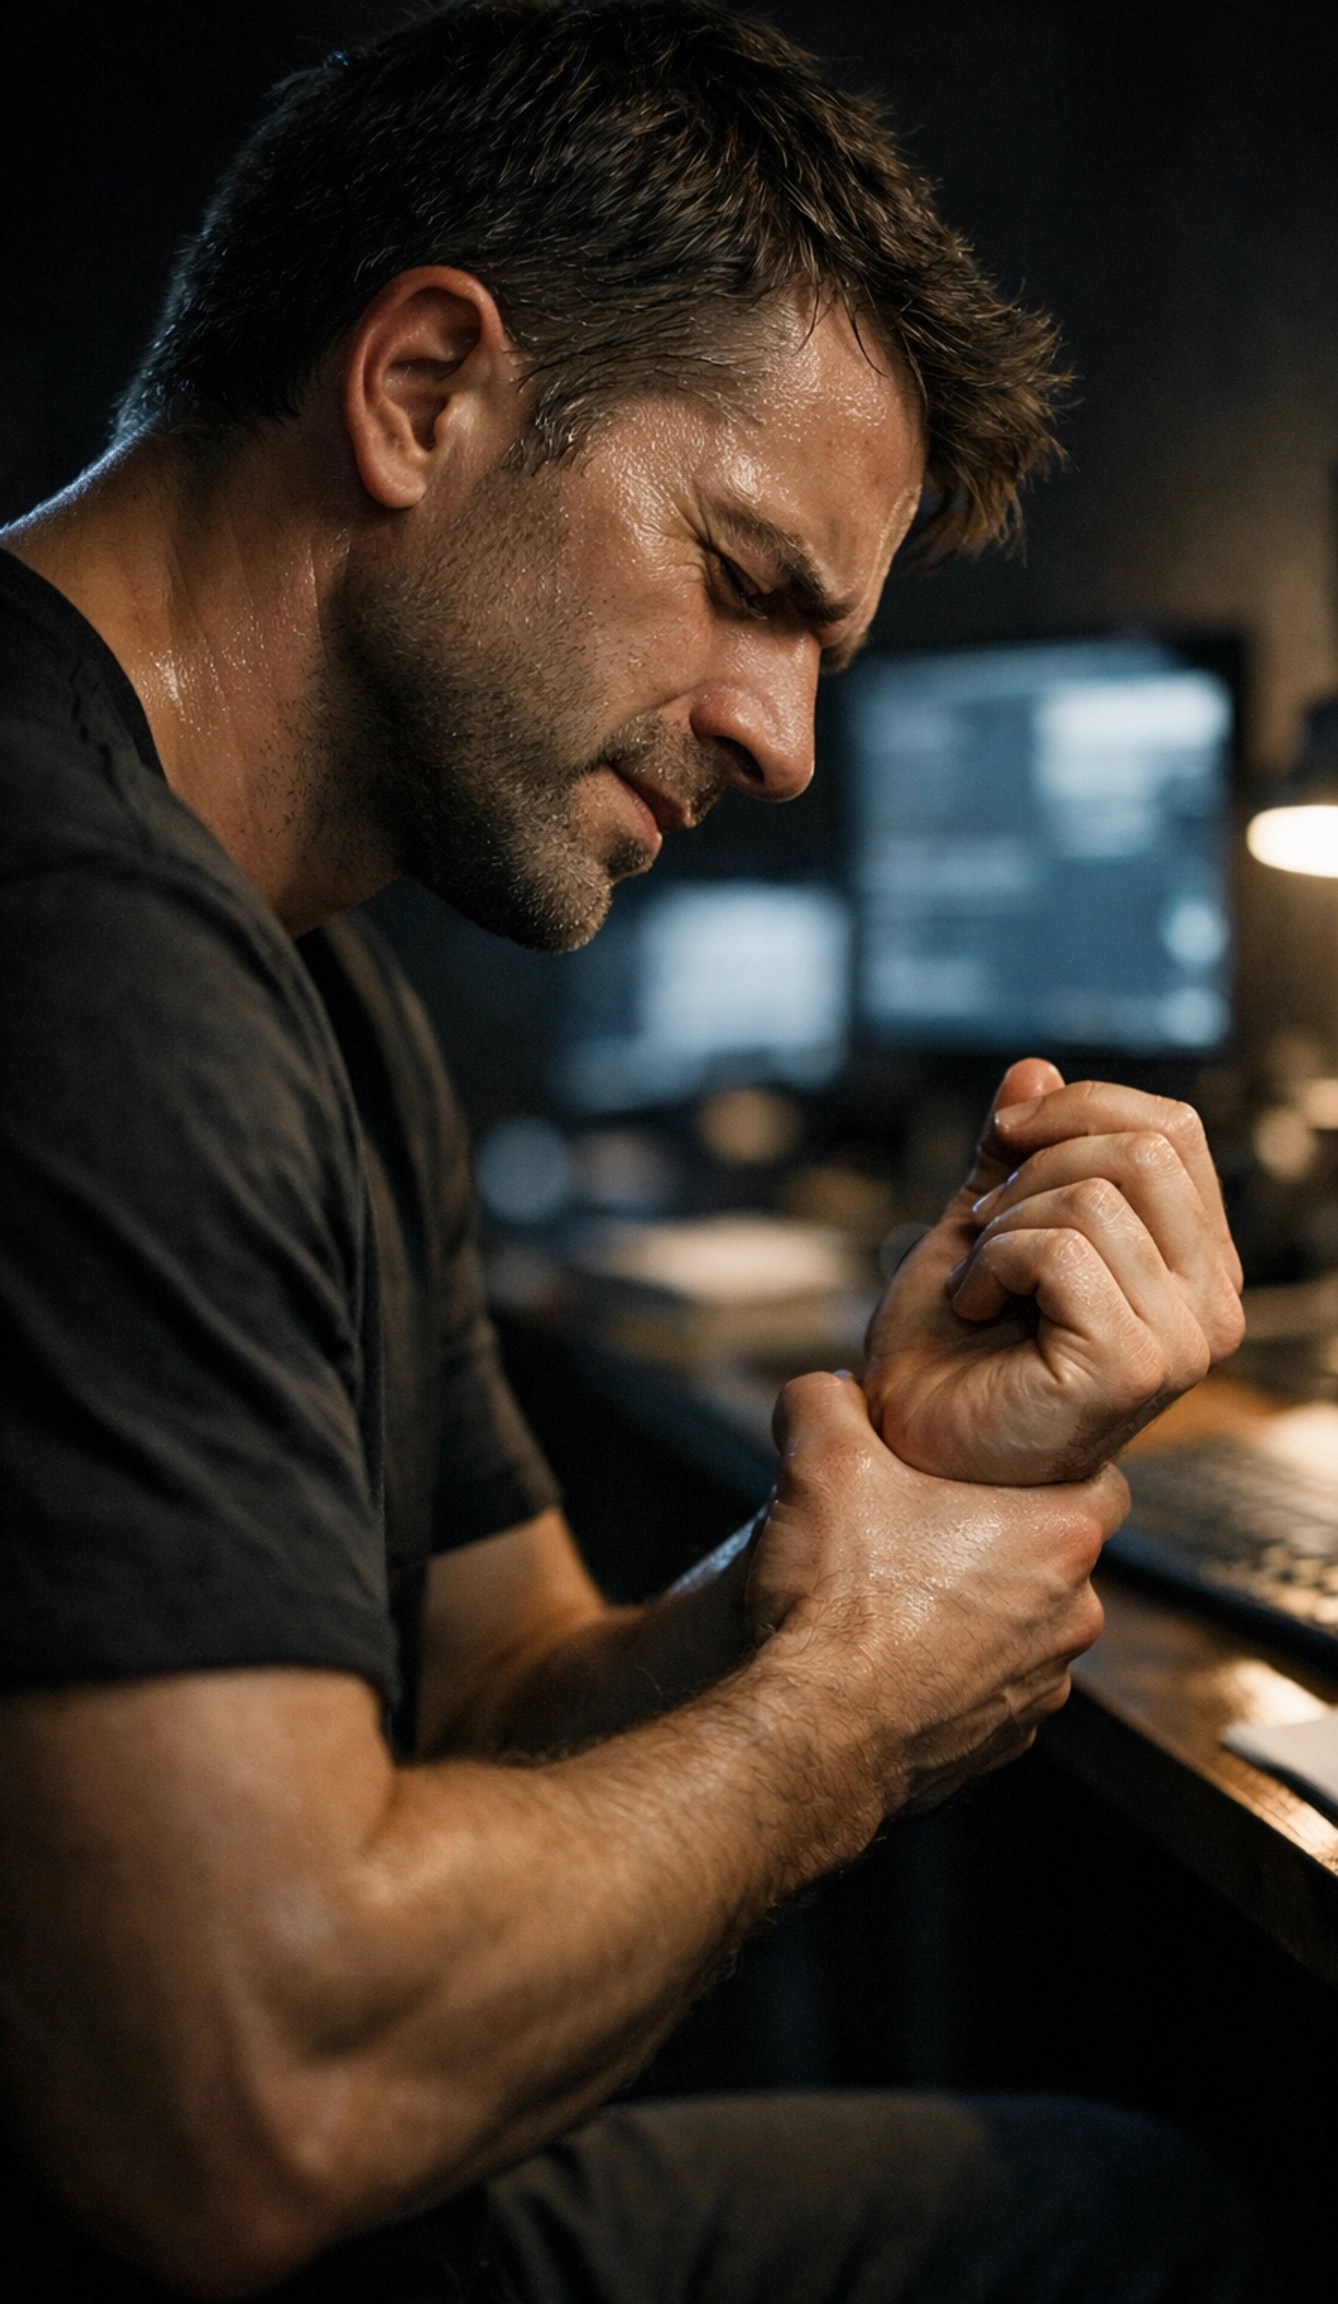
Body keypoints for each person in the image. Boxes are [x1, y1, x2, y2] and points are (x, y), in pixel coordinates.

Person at [0, 4, 1254, 2298]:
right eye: (749, 578)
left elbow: (495, 1695)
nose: (784, 744)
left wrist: (882, 1482)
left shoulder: (312, 978)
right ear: (421, 394)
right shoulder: (78, 949)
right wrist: (850, 1708)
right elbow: (239, 2110)